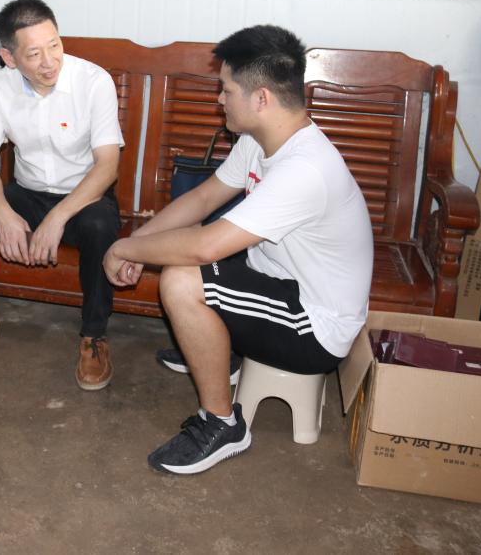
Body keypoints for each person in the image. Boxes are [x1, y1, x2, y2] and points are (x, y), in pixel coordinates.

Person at [103, 24, 373, 474]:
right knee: (192, 247)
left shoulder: (304, 169)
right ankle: (218, 348)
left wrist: (124, 248)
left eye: (226, 90)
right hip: (278, 281)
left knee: (182, 279)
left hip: (314, 327)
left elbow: (204, 247)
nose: (219, 99)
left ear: (261, 98)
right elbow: (203, 198)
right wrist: (138, 246)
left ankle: (222, 424)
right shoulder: (261, 140)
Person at [0, 0, 124, 390]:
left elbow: (107, 166)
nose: (49, 62)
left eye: (55, 45)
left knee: (99, 225)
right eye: (34, 54)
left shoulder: (93, 82)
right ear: (9, 57)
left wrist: (58, 217)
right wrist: (2, 212)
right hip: (27, 194)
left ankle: (94, 336)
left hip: (83, 198)